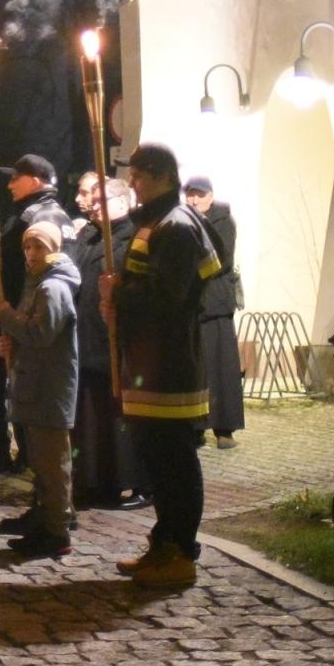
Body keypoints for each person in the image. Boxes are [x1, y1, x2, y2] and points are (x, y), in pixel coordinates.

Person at [101, 143, 223, 589]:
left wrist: (119, 293)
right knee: (156, 461)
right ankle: (164, 542)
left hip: (170, 366)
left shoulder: (176, 226)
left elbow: (170, 299)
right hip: (150, 363)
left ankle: (181, 552)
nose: (131, 183)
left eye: (137, 175)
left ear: (161, 176)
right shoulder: (155, 222)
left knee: (174, 461)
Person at [0, 222, 81, 556]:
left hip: (49, 387)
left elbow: (41, 334)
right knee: (42, 463)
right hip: (35, 383)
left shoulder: (53, 288)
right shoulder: (40, 284)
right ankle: (46, 521)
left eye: (39, 247)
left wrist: (6, 318)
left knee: (53, 464)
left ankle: (57, 531)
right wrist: (10, 346)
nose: (31, 254)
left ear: (54, 248)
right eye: (27, 247)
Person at [0, 154, 76, 471]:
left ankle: (47, 498)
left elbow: (23, 274)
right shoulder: (58, 214)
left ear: (36, 181)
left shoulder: (35, 217)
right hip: (43, 320)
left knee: (35, 409)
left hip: (32, 320)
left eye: (16, 177)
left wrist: (11, 318)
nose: (10, 184)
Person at [72, 177, 144, 508]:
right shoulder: (88, 236)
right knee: (92, 415)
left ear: (121, 202)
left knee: (118, 417)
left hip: (115, 339)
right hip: (87, 338)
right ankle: (97, 478)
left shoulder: (131, 238)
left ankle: (132, 480)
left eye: (100, 200)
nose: (93, 206)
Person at [184, 176, 242, 449]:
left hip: (216, 303)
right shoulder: (183, 221)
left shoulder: (223, 222)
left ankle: (224, 428)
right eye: (190, 194)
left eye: (199, 194)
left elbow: (221, 260)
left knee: (221, 368)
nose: (194, 199)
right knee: (197, 369)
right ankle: (196, 426)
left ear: (210, 197)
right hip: (194, 306)